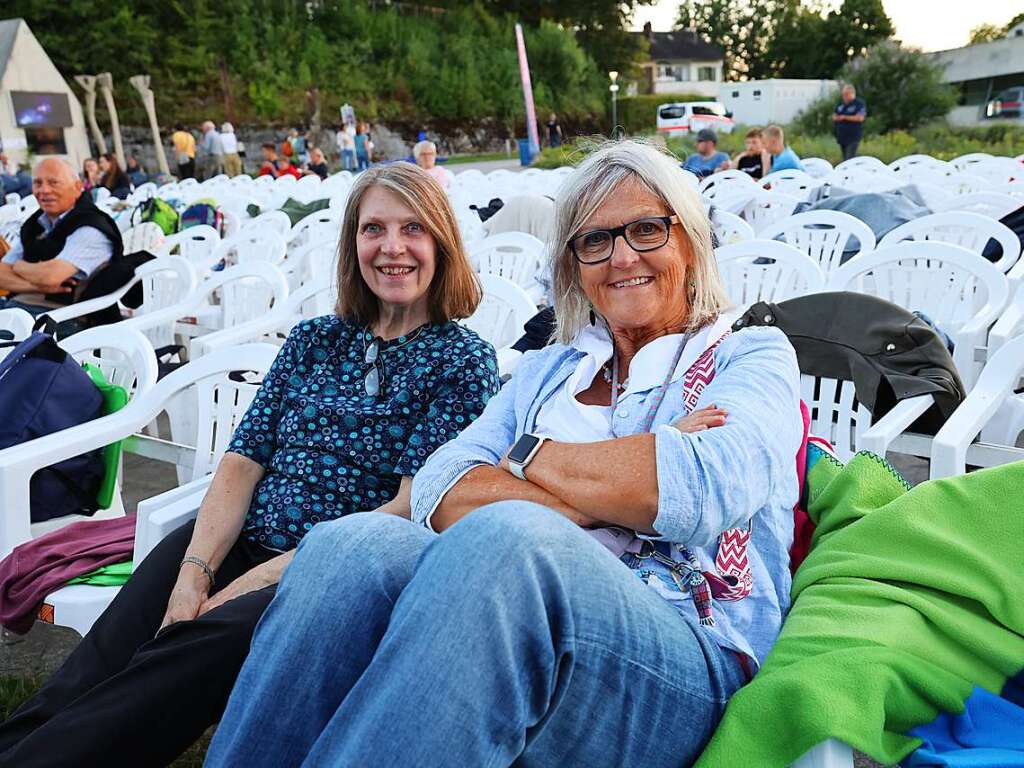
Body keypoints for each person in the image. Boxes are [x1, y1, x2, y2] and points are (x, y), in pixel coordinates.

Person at [204, 140, 804, 767]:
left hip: (682, 653)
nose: (622, 255)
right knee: (350, 543)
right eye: (594, 241)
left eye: (647, 229)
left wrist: (522, 463)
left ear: (690, 241)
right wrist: (612, 477)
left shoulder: (751, 354)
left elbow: (697, 492)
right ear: (575, 265)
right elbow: (439, 488)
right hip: (520, 609)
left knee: (510, 538)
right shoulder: (549, 370)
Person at [0, 162, 499, 768]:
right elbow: (243, 460)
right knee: (97, 660)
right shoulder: (317, 338)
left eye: (412, 229)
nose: (392, 248)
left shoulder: (463, 361)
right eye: (374, 230)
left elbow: (407, 504)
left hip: (329, 576)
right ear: (354, 244)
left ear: (441, 243)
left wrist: (240, 587)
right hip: (235, 536)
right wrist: (195, 569)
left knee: (163, 673)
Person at [0, 158, 121, 317]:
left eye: (53, 182)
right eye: (37, 183)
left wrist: (19, 267)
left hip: (68, 318)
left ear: (78, 187)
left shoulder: (91, 226)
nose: (44, 190)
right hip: (22, 305)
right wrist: (37, 287)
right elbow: (2, 275)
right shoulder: (36, 224)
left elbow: (51, 276)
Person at [833, 84, 867, 161]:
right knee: (844, 159)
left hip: (853, 136)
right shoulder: (841, 104)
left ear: (852, 93)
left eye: (846, 94)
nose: (844, 96)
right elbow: (835, 115)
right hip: (842, 137)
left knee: (850, 159)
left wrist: (844, 117)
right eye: (843, 94)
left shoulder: (859, 104)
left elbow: (860, 118)